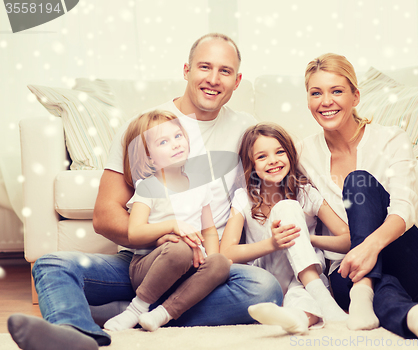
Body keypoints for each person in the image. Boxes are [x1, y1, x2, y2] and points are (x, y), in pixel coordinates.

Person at [8, 33, 283, 350]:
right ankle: (77, 334)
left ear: (237, 81)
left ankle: (132, 313)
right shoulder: (145, 128)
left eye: (224, 71)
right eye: (204, 67)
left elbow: (268, 182)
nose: (213, 79)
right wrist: (160, 236)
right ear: (186, 70)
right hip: (146, 259)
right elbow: (106, 214)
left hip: (205, 269)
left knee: (264, 289)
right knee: (51, 265)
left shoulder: (246, 128)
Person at [294, 52, 418, 341]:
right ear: (308, 101)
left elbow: (404, 208)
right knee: (376, 291)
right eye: (316, 93)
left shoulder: (391, 138)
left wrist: (370, 247)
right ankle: (414, 318)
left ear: (355, 96)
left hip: (412, 259)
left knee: (359, 183)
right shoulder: (303, 153)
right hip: (347, 273)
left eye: (337, 91)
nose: (325, 101)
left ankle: (364, 288)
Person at [103, 110, 231, 332]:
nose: (175, 144)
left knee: (220, 263)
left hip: (190, 265)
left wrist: (210, 258)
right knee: (179, 248)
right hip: (149, 268)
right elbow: (135, 233)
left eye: (178, 136)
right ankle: (136, 309)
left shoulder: (200, 184)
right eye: (163, 141)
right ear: (148, 156)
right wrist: (173, 225)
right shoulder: (148, 186)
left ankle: (162, 314)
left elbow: (209, 229)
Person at [220, 123, 350, 335]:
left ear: (289, 154)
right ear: (251, 164)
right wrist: (272, 243)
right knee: (287, 207)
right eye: (262, 156)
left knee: (304, 303)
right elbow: (226, 253)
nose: (273, 160)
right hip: (267, 277)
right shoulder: (243, 198)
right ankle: (324, 300)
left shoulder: (306, 192)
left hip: (303, 283)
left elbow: (347, 239)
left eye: (279, 152)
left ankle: (297, 318)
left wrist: (307, 238)